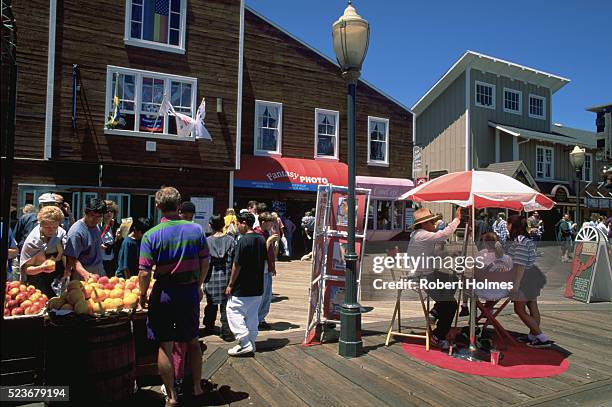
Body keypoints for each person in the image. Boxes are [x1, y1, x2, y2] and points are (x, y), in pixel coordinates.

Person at [138, 187, 210, 405]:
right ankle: (197, 388)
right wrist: (198, 284)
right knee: (193, 341)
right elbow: (205, 260)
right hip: (188, 291)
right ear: (179, 206)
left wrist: (142, 295)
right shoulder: (196, 230)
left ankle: (171, 396)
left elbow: (143, 272)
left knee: (165, 345)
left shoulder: (151, 235)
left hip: (165, 292)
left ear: (158, 206)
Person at [406, 207, 461, 350]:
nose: (434, 224)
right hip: (424, 277)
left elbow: (431, 254)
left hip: (424, 274)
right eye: (431, 222)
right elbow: (444, 234)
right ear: (424, 224)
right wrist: (457, 219)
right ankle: (438, 336)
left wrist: (449, 254)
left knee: (453, 279)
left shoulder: (417, 235)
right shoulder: (422, 235)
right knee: (451, 305)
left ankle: (436, 310)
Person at [507, 215, 552, 348]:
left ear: (512, 225)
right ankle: (533, 335)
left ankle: (541, 337)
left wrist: (515, 286)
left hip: (524, 278)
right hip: (533, 275)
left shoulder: (520, 241)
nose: (506, 226)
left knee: (519, 308)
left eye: (508, 224)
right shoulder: (528, 240)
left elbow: (520, 265)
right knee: (532, 306)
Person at [225, 212, 266, 356]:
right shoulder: (261, 239)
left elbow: (237, 264)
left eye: (238, 223)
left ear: (244, 223)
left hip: (242, 285)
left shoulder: (242, 240)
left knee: (233, 310)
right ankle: (252, 341)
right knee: (252, 314)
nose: (236, 226)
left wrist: (230, 284)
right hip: (258, 285)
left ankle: (244, 342)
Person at [19, 206, 67, 298]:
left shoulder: (61, 233)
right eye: (47, 227)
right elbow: (26, 270)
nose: (51, 230)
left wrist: (67, 270)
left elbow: (65, 255)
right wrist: (41, 268)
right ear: (40, 224)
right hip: (37, 279)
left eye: (54, 227)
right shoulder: (32, 242)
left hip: (56, 277)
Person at [203, 214, 235, 341]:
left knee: (210, 304)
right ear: (223, 225)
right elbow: (232, 262)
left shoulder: (206, 241)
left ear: (210, 225)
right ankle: (227, 332)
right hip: (226, 278)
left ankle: (208, 327)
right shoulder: (231, 241)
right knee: (225, 306)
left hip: (210, 278)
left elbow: (205, 263)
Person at [64, 198, 106, 280]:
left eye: (99, 216)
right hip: (83, 274)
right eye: (92, 215)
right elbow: (71, 258)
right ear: (85, 212)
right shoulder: (76, 232)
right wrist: (85, 274)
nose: (95, 219)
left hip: (99, 270)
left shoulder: (97, 226)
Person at [255, 212, 279, 330]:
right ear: (263, 222)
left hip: (267, 268)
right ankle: (256, 319)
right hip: (260, 269)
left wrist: (273, 266)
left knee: (267, 295)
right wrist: (269, 241)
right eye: (270, 223)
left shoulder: (266, 232)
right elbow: (259, 252)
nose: (271, 225)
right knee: (261, 295)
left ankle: (261, 318)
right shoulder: (257, 234)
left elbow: (270, 252)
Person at [475, 233, 513, 303]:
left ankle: (484, 312)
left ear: (485, 243)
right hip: (503, 291)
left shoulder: (480, 256)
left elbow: (475, 273)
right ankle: (488, 311)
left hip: (484, 291)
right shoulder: (507, 258)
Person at [99, 200, 119, 276]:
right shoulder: (98, 225)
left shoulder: (116, 226)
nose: (109, 213)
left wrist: (118, 238)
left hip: (111, 260)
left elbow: (117, 244)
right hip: (99, 260)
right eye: (107, 211)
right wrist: (99, 245)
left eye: (111, 211)